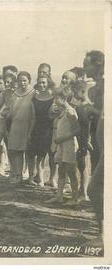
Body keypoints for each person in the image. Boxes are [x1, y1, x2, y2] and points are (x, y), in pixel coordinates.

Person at [45, 87, 80, 205]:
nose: (54, 100)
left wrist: (62, 139)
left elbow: (76, 130)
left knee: (71, 171)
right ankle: (59, 195)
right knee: (61, 169)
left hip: (69, 145)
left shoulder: (70, 111)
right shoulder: (62, 112)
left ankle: (75, 198)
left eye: (57, 98)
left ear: (64, 99)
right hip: (61, 145)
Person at [84, 50, 104, 245]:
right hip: (101, 146)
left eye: (86, 64)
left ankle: (104, 235)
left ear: (97, 64)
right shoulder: (98, 86)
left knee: (94, 188)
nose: (84, 68)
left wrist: (89, 108)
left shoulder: (105, 86)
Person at [6, 71, 35, 184]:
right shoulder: (15, 94)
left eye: (25, 81)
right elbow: (11, 111)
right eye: (20, 81)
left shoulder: (33, 93)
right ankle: (18, 175)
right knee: (16, 151)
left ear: (29, 81)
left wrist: (31, 131)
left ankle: (31, 176)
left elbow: (33, 113)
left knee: (28, 153)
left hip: (28, 125)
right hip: (15, 126)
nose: (22, 83)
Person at [26, 75, 54, 186]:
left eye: (44, 82)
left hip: (49, 129)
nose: (42, 85)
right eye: (40, 83)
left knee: (47, 156)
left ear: (48, 83)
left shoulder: (53, 98)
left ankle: (48, 179)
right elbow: (33, 117)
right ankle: (36, 178)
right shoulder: (34, 98)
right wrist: (29, 133)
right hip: (36, 129)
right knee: (35, 155)